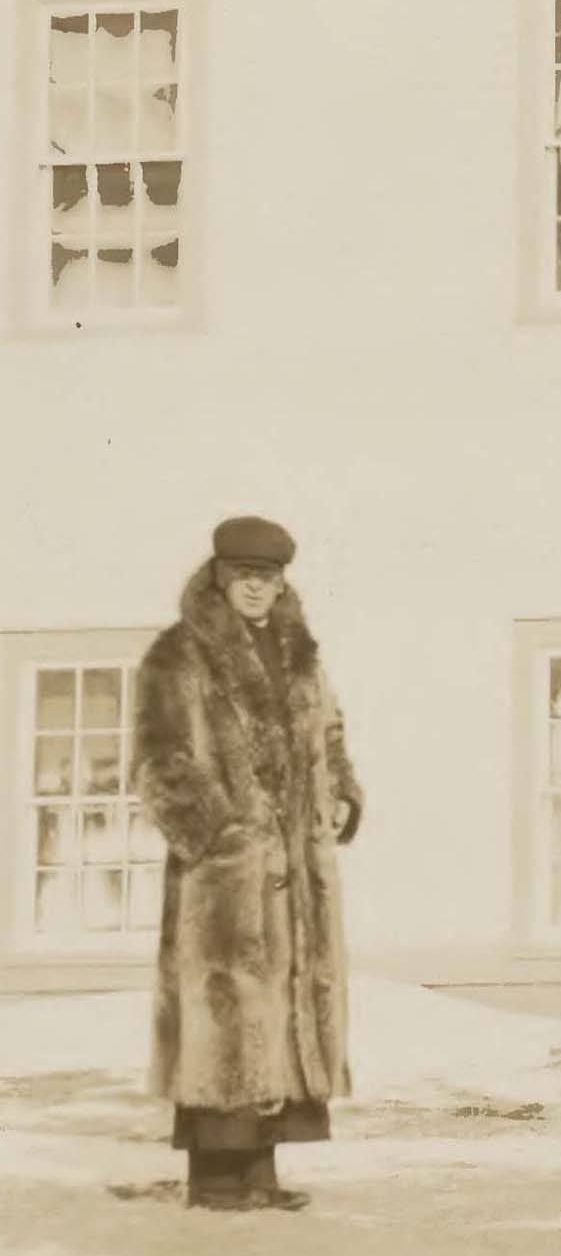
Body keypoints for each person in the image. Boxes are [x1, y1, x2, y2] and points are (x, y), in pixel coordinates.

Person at [132, 515, 364, 1212]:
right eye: (244, 577)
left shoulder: (300, 655)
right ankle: (213, 1178)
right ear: (220, 577)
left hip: (296, 872)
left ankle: (261, 1172)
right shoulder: (178, 655)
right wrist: (221, 838)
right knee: (224, 1019)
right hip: (224, 882)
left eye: (269, 578)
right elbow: (160, 762)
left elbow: (330, 731)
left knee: (282, 1015)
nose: (257, 590)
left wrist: (343, 793)